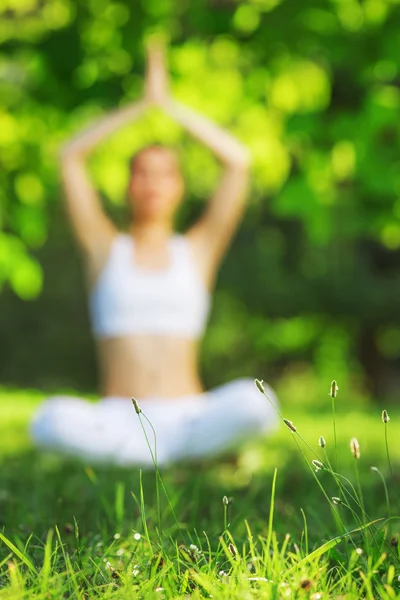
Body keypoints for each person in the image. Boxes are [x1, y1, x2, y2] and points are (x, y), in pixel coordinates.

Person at [31, 42, 279, 467]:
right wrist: (141, 106)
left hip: (190, 417)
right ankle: (168, 458)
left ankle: (157, 457)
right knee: (47, 421)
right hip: (118, 419)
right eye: (142, 172)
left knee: (259, 404)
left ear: (180, 187)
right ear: (128, 185)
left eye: (165, 173)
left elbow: (237, 162)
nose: (152, 183)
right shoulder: (104, 248)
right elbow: (70, 158)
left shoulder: (197, 251)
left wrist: (168, 105)